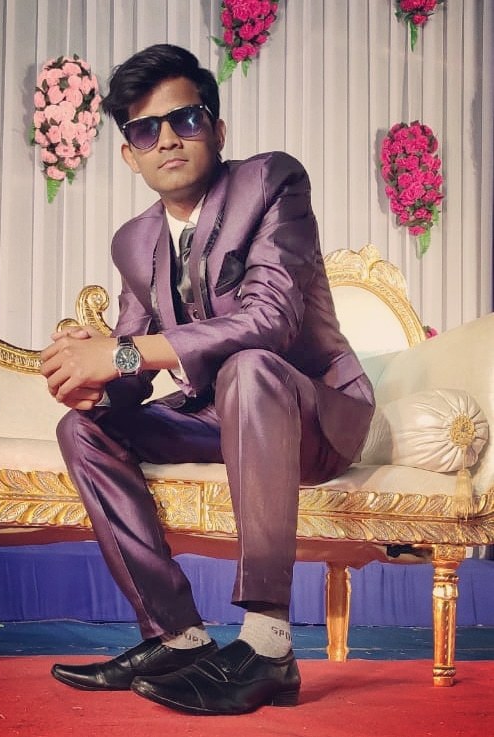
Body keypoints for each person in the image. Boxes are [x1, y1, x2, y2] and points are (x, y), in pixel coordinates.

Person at [40, 43, 374, 716]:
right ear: (129, 154)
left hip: (312, 416)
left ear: (217, 130)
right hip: (220, 416)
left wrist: (122, 354)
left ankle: (269, 644)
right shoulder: (133, 242)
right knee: (82, 429)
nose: (166, 139)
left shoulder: (272, 182)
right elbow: (131, 373)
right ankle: (176, 635)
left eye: (185, 120)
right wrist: (90, 378)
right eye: (145, 130)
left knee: (250, 368)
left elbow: (269, 322)